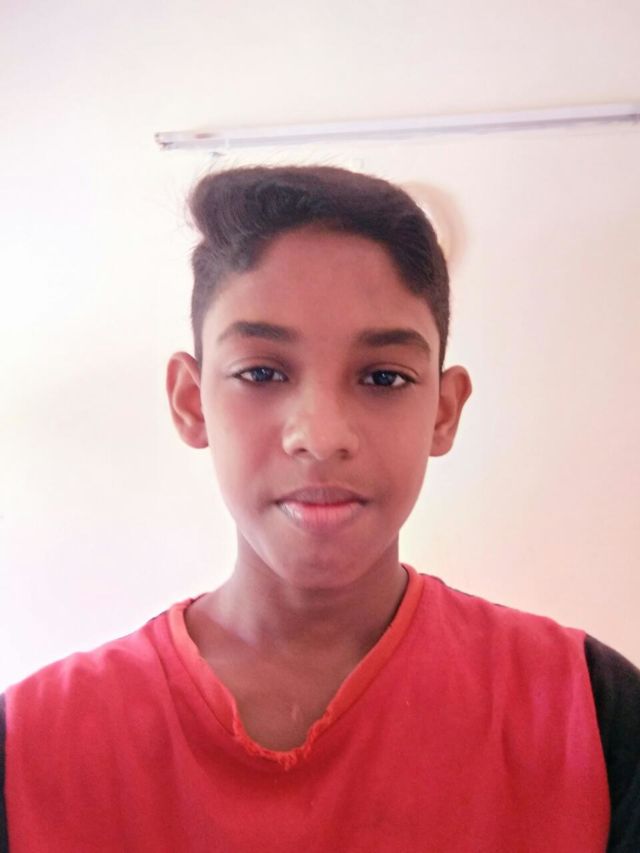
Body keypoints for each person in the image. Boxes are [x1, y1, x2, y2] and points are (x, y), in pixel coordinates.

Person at [1, 165, 638, 852]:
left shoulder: (592, 714)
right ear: (191, 400)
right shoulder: (30, 748)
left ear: (444, 411)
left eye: (383, 376)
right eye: (261, 372)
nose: (321, 434)